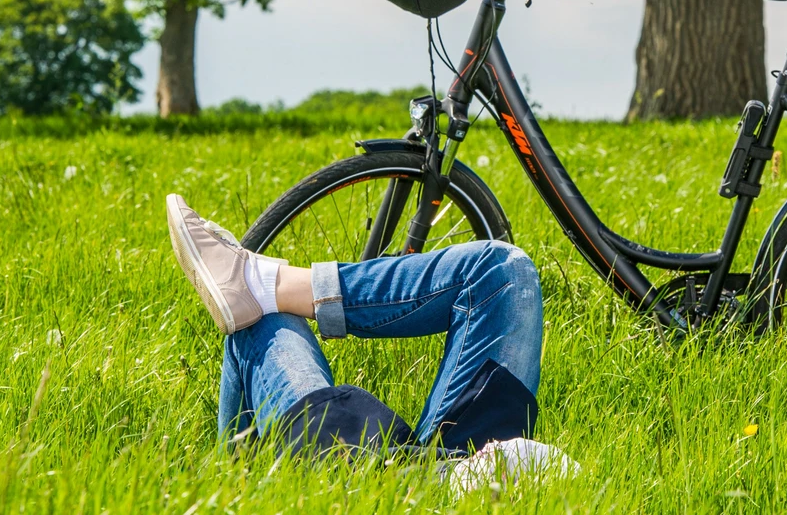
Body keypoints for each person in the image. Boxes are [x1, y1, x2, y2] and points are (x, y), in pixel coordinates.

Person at [164, 195, 574, 481]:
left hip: (387, 484)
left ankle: (238, 500)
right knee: (502, 269)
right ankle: (274, 285)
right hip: (471, 457)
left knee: (262, 323)